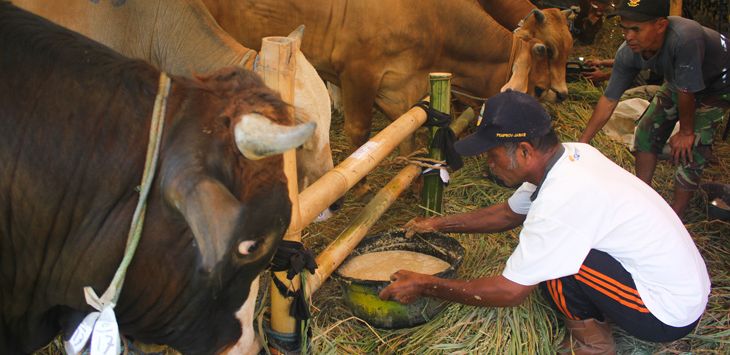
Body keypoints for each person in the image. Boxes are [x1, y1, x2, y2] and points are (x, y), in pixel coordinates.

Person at [379, 90, 710, 354]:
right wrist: (437, 225)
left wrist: (427, 285)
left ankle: (593, 346)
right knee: (560, 257)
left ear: (523, 151)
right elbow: (508, 213)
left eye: (492, 155)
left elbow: (510, 292)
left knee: (556, 268)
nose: (489, 165)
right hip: (678, 282)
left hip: (667, 312)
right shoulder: (571, 155)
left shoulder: (559, 200)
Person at [579, 0, 730, 219]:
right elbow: (609, 99)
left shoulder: (686, 38)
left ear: (660, 25)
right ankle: (643, 197)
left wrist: (686, 132)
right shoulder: (628, 53)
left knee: (692, 147)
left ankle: (675, 218)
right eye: (625, 28)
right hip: (680, 81)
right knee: (646, 129)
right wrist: (582, 143)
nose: (628, 36)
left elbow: (687, 91)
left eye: (635, 29)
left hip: (718, 83)